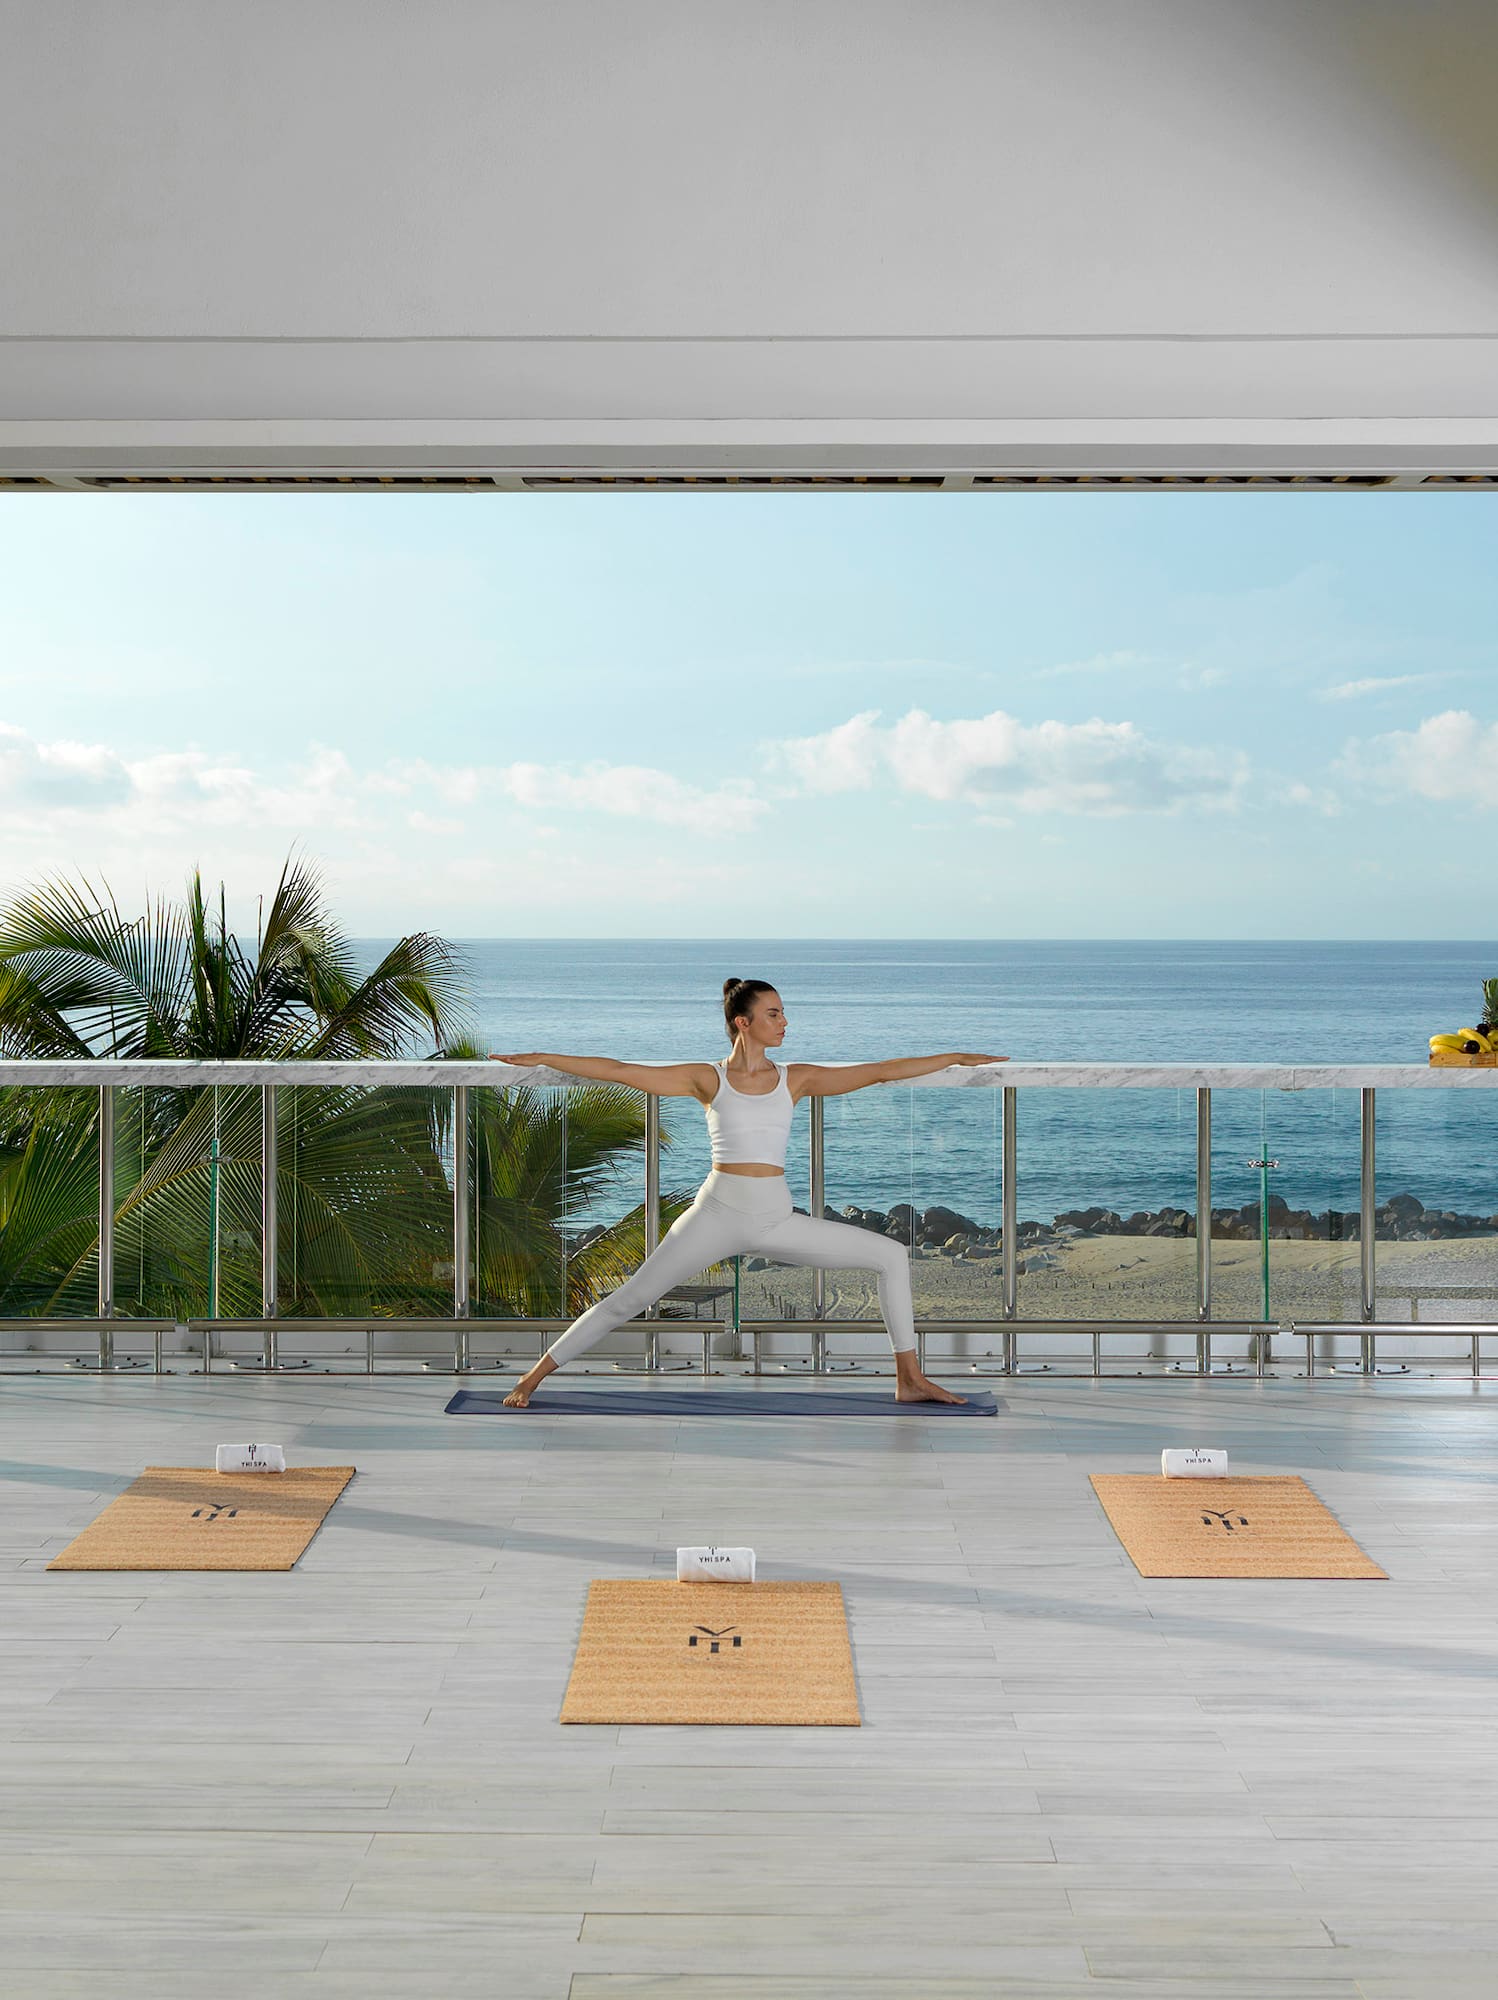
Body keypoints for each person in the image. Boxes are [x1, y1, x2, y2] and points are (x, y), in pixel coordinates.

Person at [487, 976, 1006, 1407]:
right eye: (775, 1014)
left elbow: (880, 1071)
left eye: (783, 1014)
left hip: (777, 1218)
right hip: (716, 1213)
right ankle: (530, 1379)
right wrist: (544, 1057)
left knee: (891, 1254)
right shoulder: (706, 1078)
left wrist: (952, 1057)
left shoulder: (795, 1079)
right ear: (744, 1021)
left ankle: (909, 1378)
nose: (785, 1022)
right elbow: (622, 1072)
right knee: (632, 1298)